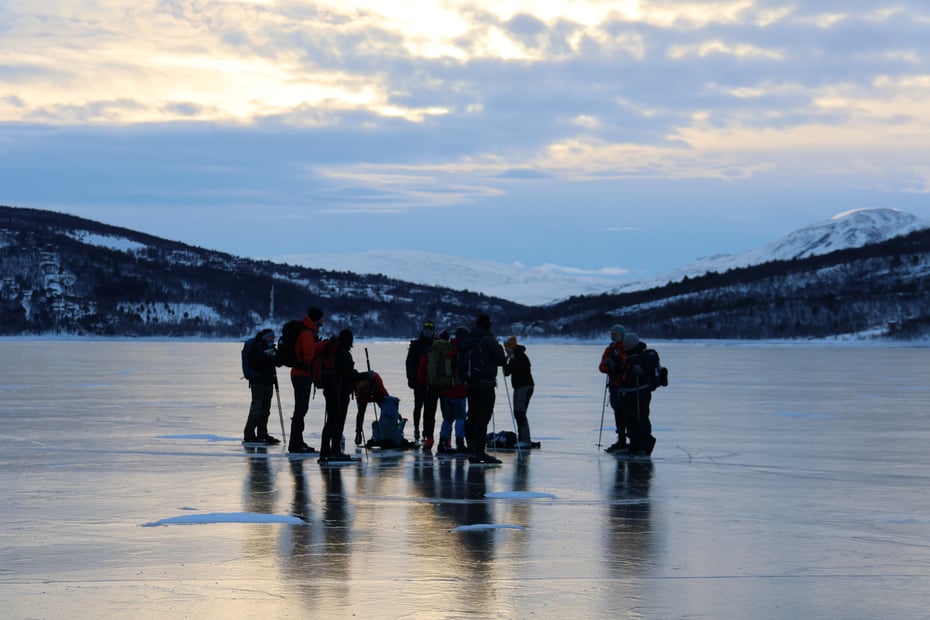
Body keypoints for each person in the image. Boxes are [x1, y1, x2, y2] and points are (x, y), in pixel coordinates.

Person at [463, 314, 506, 464]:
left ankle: (472, 451)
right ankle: (480, 452)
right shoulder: (489, 340)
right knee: (482, 419)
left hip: (470, 384)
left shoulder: (468, 340)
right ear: (488, 325)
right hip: (485, 385)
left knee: (472, 417)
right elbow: (501, 360)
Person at [288, 306, 324, 454]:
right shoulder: (307, 334)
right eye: (322, 318)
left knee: (300, 409)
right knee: (301, 410)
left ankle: (297, 441)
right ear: (317, 319)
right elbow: (309, 356)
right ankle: (296, 443)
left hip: (298, 374)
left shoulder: (307, 331)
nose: (323, 321)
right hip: (302, 375)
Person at [319, 328, 357, 462]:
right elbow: (347, 374)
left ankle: (324, 452)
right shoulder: (344, 353)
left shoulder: (332, 350)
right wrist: (360, 375)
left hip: (330, 389)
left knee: (330, 421)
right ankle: (335, 451)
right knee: (338, 422)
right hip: (340, 391)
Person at [619, 332, 657, 456]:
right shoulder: (629, 356)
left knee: (640, 418)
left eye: (626, 343)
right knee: (630, 419)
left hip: (640, 392)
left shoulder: (642, 356)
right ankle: (634, 445)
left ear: (632, 344)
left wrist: (641, 371)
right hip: (630, 393)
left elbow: (647, 372)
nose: (623, 345)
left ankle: (645, 445)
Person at [243, 328, 281, 445]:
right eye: (270, 337)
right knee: (257, 408)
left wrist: (276, 353)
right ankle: (249, 434)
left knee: (266, 409)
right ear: (265, 337)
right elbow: (256, 361)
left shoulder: (270, 348)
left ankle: (262, 433)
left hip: (268, 381)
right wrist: (268, 353)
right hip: (258, 381)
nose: (272, 339)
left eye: (273, 337)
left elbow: (277, 363)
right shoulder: (257, 346)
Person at [437, 328, 469, 453]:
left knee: (448, 418)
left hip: (447, 391)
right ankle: (460, 442)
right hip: (459, 391)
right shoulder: (462, 351)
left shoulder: (448, 349)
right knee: (460, 417)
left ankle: (443, 441)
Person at [598, 324, 629, 453]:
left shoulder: (626, 348)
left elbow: (628, 364)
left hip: (626, 386)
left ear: (622, 335)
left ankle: (631, 440)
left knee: (627, 413)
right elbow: (601, 367)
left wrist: (616, 367)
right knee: (618, 412)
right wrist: (608, 367)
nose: (612, 336)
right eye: (612, 334)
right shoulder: (609, 349)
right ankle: (621, 439)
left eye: (615, 334)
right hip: (614, 386)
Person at [405, 319, 435, 442]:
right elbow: (409, 362)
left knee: (430, 408)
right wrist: (410, 378)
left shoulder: (436, 344)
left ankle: (426, 431)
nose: (428, 330)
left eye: (430, 329)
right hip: (419, 381)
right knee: (418, 406)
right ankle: (416, 428)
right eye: (426, 328)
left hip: (432, 382)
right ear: (423, 329)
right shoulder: (416, 344)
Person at [503, 335, 535, 448]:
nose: (505, 349)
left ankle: (525, 440)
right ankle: (522, 438)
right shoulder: (512, 357)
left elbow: (525, 367)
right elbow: (507, 373)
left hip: (525, 386)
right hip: (517, 387)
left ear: (511, 347)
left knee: (520, 412)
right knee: (517, 413)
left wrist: (512, 359)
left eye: (506, 347)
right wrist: (505, 362)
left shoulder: (520, 355)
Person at [353, 369, 389, 446]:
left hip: (376, 389)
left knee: (387, 406)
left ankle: (389, 428)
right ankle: (358, 434)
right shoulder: (355, 383)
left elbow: (387, 401)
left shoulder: (375, 380)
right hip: (365, 392)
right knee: (361, 412)